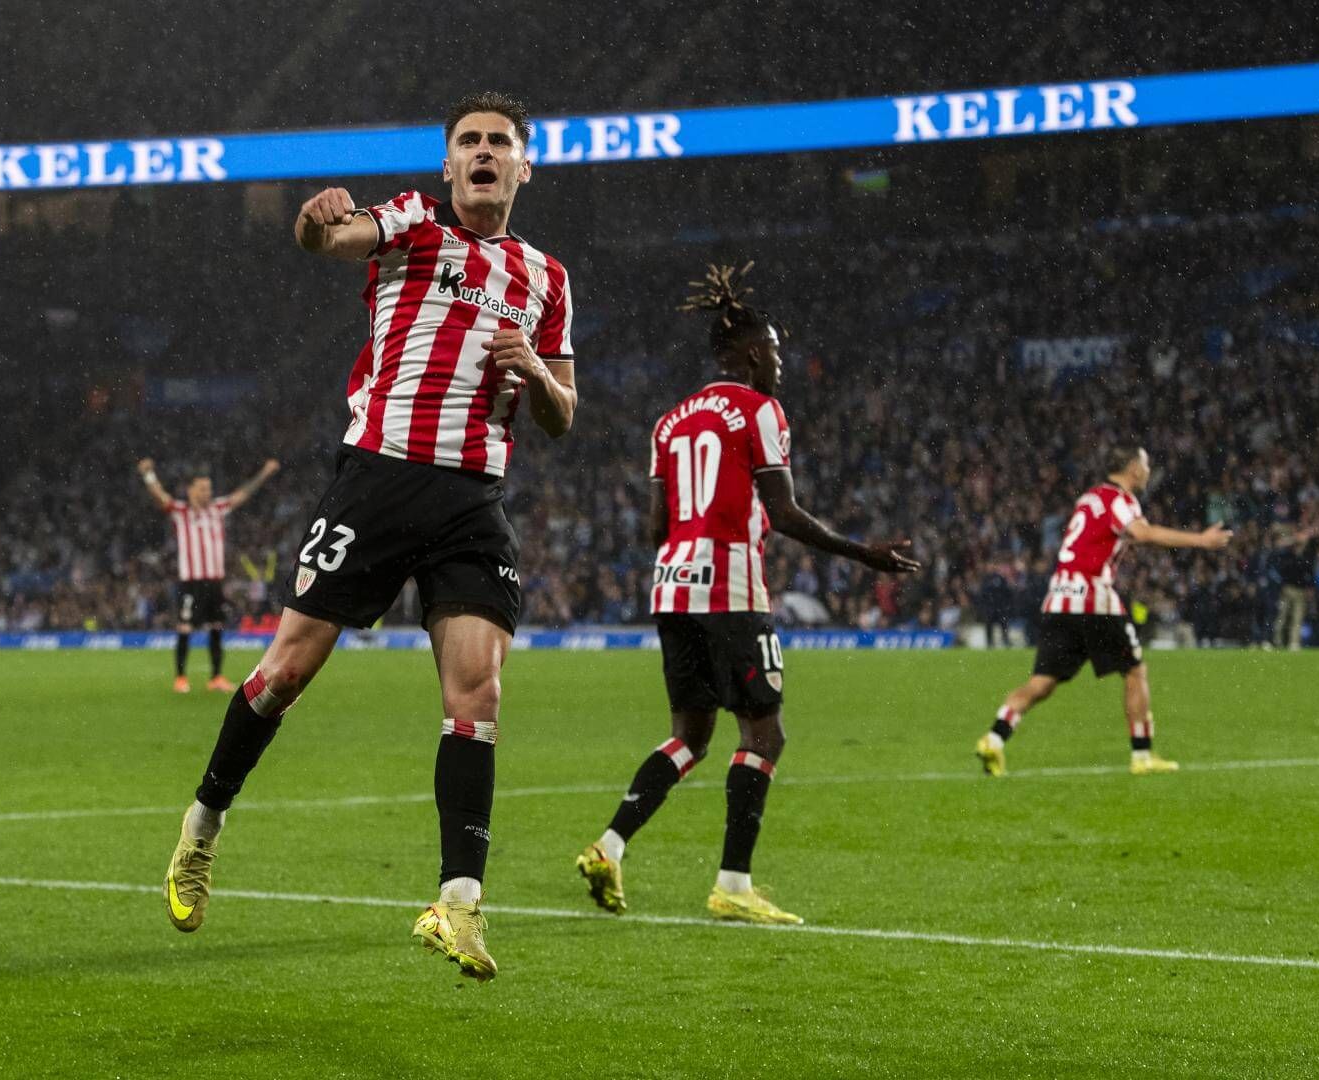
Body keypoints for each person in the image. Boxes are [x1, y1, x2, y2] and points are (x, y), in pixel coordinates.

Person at [163, 92, 577, 982]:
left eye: (498, 142)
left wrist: (538, 372)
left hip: (474, 498)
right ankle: (202, 827)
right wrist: (315, 226)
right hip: (380, 479)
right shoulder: (413, 224)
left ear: (523, 165)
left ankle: (458, 905)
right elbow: (334, 241)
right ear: (446, 164)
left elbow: (565, 415)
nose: (481, 152)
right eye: (467, 140)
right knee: (285, 673)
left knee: (479, 691)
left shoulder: (548, 279)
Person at [574, 264, 918, 925]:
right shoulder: (762, 412)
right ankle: (733, 884)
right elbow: (784, 514)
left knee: (688, 736)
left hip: (672, 585)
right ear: (753, 353)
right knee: (764, 732)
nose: (782, 366)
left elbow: (655, 527)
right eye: (777, 354)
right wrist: (862, 553)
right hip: (730, 585)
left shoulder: (669, 422)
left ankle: (609, 845)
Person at [975, 447, 1232, 777]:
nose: (1149, 469)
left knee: (1041, 683)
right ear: (1133, 469)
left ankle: (994, 738)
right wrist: (1200, 541)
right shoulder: (1120, 500)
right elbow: (1142, 533)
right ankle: (1142, 756)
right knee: (1135, 671)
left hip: (1059, 597)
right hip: (1093, 598)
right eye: (1146, 463)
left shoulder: (1090, 498)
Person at [138, 457, 280, 693]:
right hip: (191, 582)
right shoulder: (180, 512)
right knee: (185, 627)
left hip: (215, 582)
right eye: (203, 488)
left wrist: (264, 472)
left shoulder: (218, 509)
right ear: (191, 490)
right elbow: (159, 495)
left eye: (210, 488)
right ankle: (181, 678)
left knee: (216, 626)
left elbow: (242, 494)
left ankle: (215, 677)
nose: (208, 492)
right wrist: (148, 475)